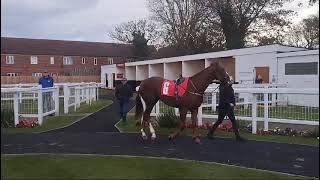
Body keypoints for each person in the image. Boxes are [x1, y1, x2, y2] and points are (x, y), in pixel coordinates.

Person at [207, 77, 246, 141]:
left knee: (233, 121)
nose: (232, 81)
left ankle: (238, 137)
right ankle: (210, 133)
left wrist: (233, 103)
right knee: (219, 121)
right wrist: (229, 103)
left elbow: (232, 97)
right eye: (231, 80)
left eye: (232, 80)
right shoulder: (222, 87)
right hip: (223, 107)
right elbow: (223, 97)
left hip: (229, 108)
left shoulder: (230, 88)